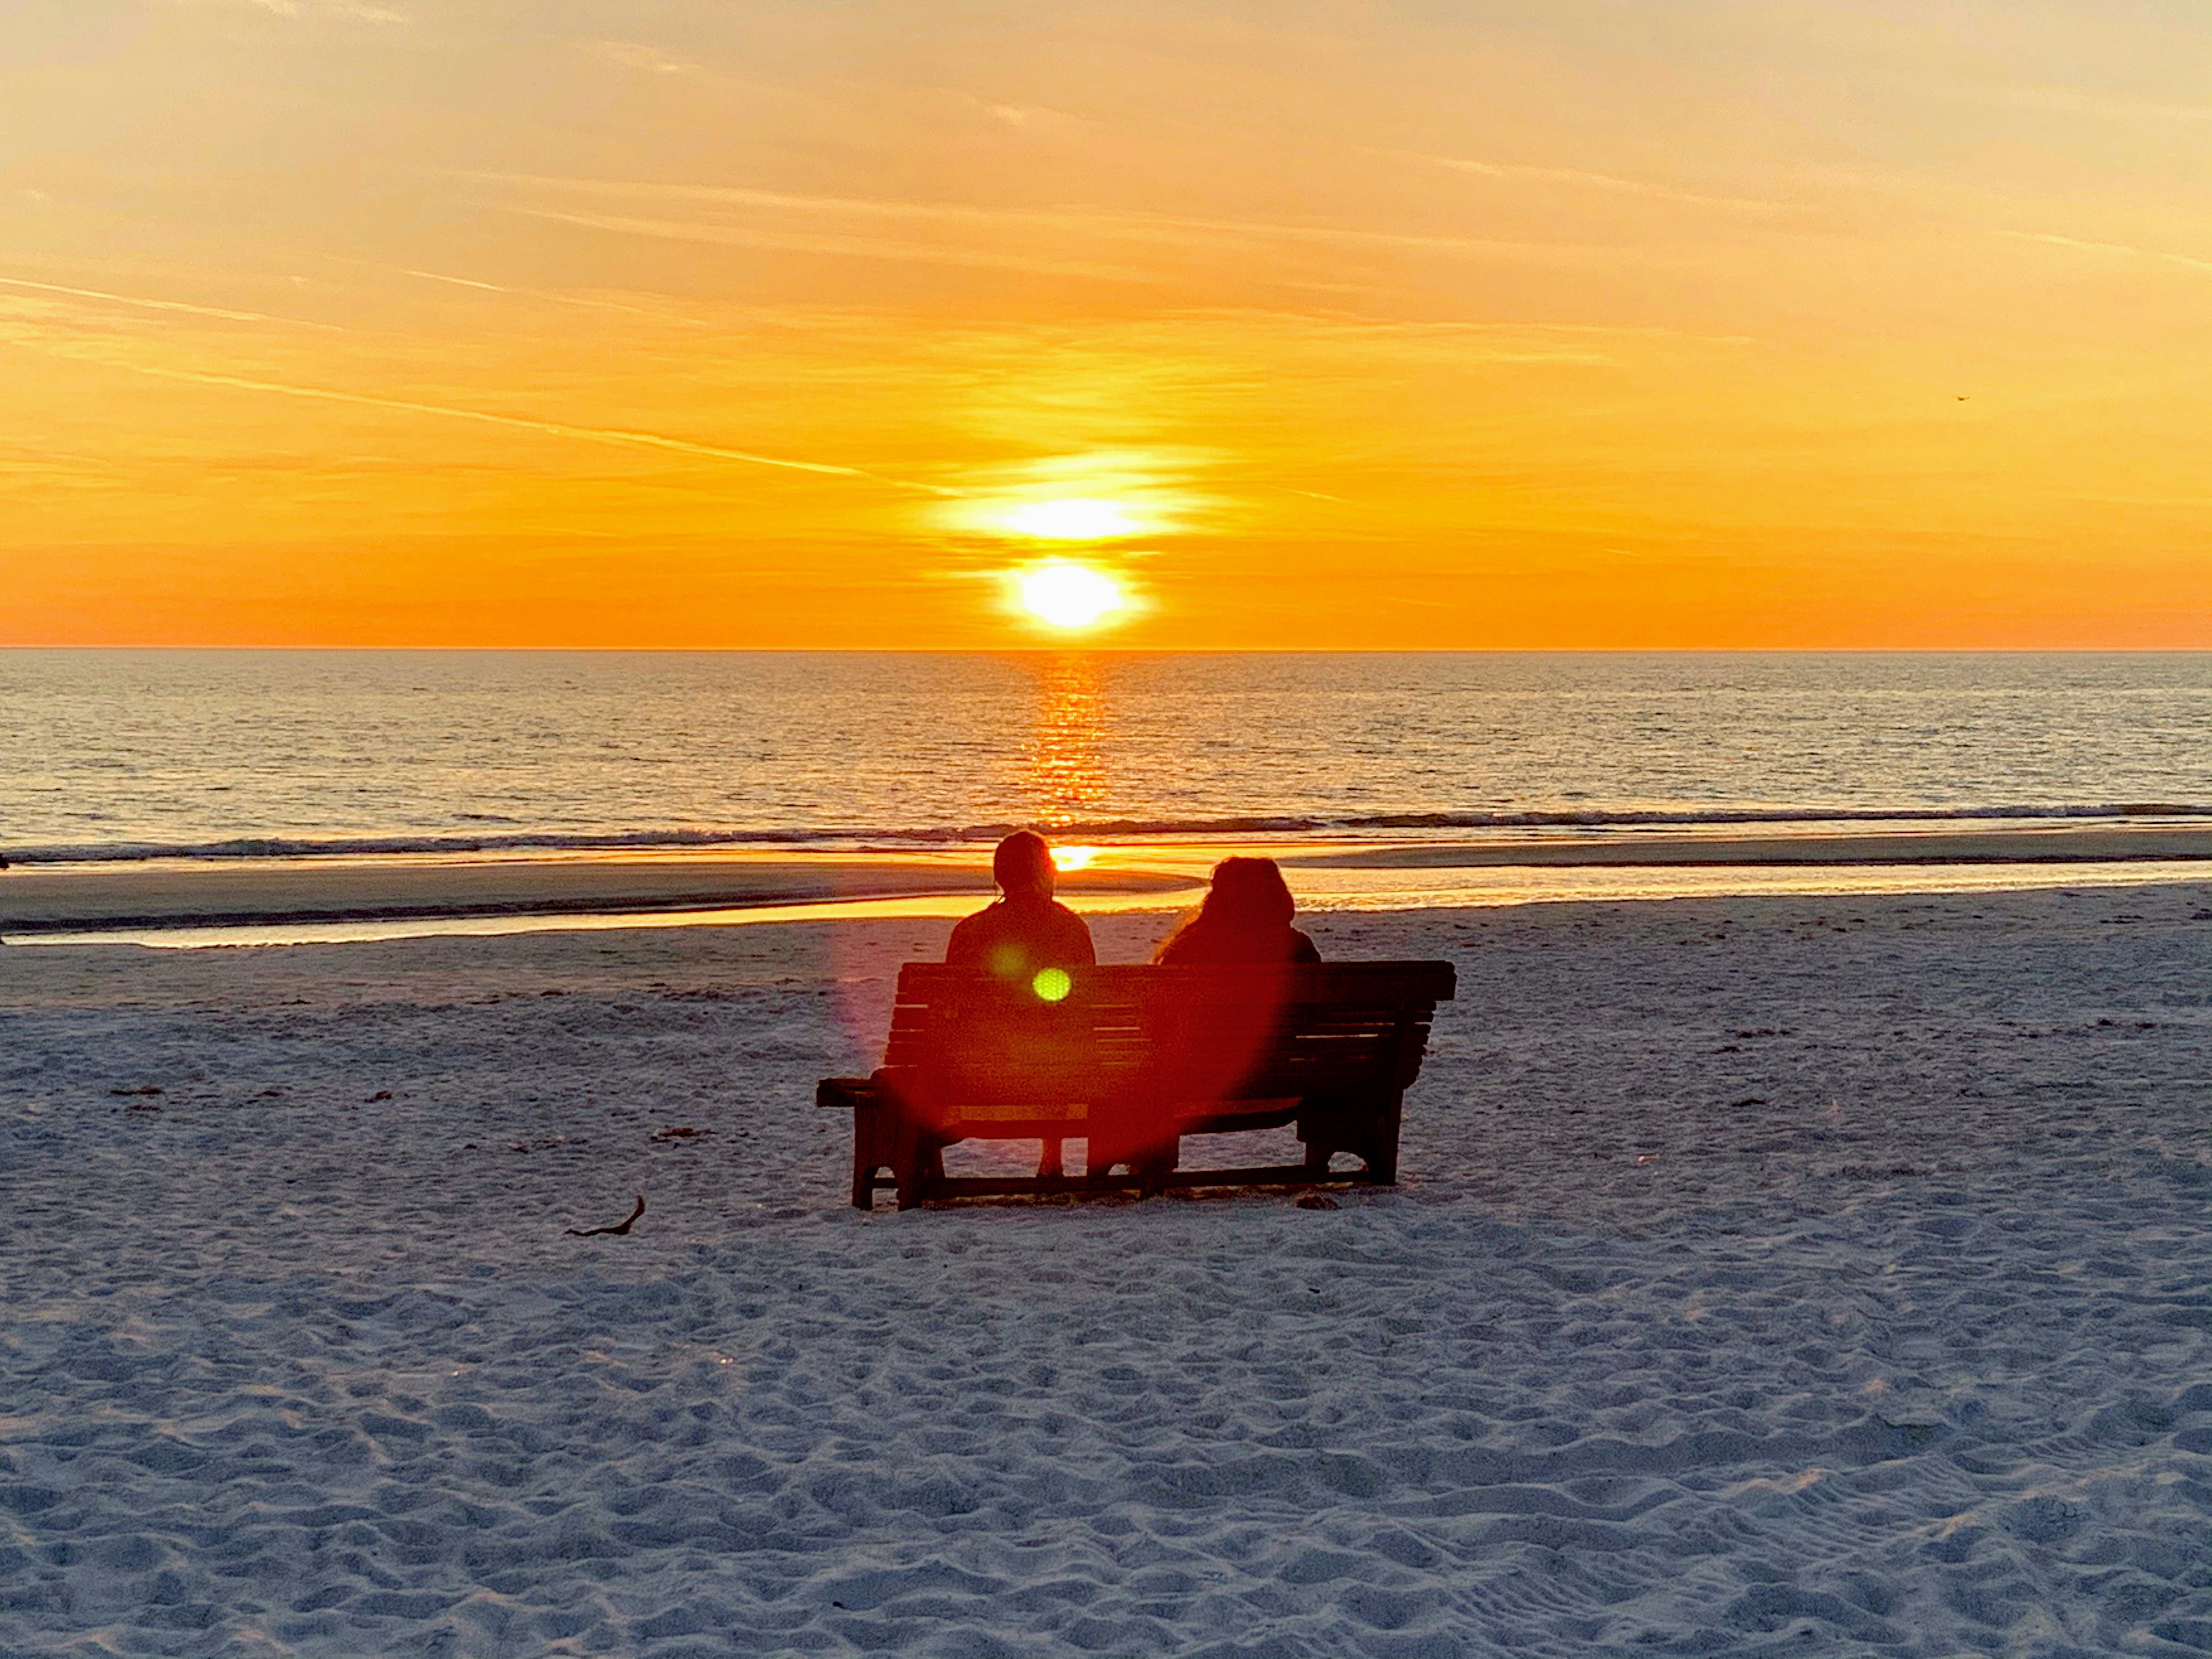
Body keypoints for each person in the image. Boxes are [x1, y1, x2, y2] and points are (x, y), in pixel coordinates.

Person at [946, 831, 1095, 1179]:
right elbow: (1080, 1012)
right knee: (1057, 1040)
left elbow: (953, 1013)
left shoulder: (970, 931)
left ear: (999, 878)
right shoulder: (1071, 929)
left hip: (978, 1075)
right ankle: (1051, 1154)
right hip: (1062, 1076)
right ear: (1046, 872)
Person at [1152, 856, 1320, 965]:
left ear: (1218, 898)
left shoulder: (1188, 948)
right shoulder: (1297, 946)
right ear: (1277, 897)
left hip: (1205, 1022)